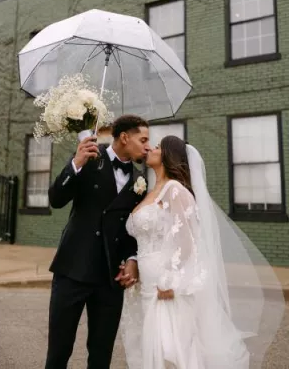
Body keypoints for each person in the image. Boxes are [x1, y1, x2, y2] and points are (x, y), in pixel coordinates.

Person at [121, 135, 285, 369]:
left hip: (165, 284)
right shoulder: (149, 192)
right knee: (154, 348)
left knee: (174, 350)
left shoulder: (175, 190)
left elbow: (187, 242)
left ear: (168, 155)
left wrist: (170, 280)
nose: (151, 149)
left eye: (157, 147)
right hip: (146, 282)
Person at [45, 114, 150, 369]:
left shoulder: (140, 181)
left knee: (101, 355)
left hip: (110, 278)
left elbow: (132, 231)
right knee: (59, 350)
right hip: (73, 269)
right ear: (124, 137)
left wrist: (133, 260)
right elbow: (56, 199)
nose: (147, 146)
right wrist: (75, 163)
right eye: (143, 139)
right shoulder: (90, 155)